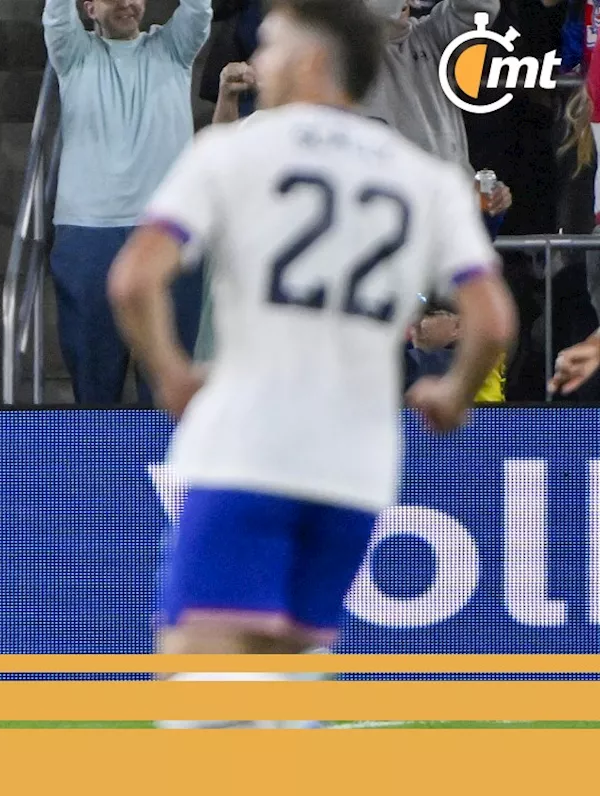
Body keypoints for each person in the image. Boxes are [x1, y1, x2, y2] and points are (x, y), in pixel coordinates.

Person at [106, 0, 516, 727]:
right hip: (354, 472)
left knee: (198, 698)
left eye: (271, 44)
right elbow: (492, 319)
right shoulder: (425, 178)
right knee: (281, 684)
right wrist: (452, 394)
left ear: (314, 60)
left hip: (248, 450)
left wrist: (170, 371)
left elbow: (134, 280)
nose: (259, 60)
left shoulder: (235, 151)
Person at [43, 0, 212, 405]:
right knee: (94, 382)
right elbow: (55, 11)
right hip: (87, 233)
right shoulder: (73, 52)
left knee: (170, 377)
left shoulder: (172, 47)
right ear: (89, 9)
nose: (127, 3)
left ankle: (170, 470)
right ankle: (98, 469)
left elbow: (199, 8)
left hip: (166, 232)